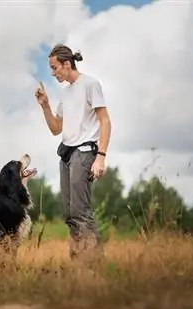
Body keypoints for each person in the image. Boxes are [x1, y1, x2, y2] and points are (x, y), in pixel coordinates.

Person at [35, 43, 112, 263]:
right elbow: (56, 129)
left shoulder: (90, 84)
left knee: (80, 210)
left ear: (66, 64)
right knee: (69, 214)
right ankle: (79, 261)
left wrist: (101, 157)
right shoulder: (65, 93)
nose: (53, 73)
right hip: (67, 155)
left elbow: (105, 122)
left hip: (85, 152)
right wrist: (45, 106)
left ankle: (95, 264)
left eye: (54, 67)